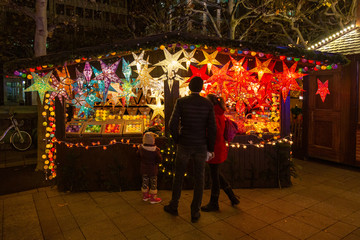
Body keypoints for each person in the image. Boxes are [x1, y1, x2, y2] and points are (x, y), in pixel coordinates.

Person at [164, 76, 217, 223]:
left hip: (184, 144)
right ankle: (195, 212)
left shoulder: (181, 102)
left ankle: (174, 205)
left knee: (178, 176)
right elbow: (212, 128)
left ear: (189, 87)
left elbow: (172, 124)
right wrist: (210, 148)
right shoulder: (207, 104)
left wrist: (177, 139)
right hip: (201, 146)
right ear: (201, 88)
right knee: (199, 178)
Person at [201, 94, 240, 212]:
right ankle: (232, 197)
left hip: (214, 149)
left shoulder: (213, 114)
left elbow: (215, 133)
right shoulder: (219, 113)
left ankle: (214, 202)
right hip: (218, 147)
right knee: (216, 173)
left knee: (215, 177)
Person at [137, 132, 162, 204]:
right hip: (153, 170)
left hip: (144, 169)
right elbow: (159, 159)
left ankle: (145, 196)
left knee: (145, 182)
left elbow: (137, 155)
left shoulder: (141, 148)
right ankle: (153, 198)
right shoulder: (156, 150)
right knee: (153, 183)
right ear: (153, 141)